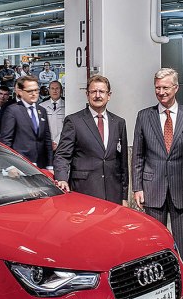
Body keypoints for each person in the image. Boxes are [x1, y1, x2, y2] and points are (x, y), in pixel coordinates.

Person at [132, 68, 183, 299]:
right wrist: (137, 187)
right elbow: (138, 155)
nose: (161, 92)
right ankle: (158, 289)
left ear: (176, 88)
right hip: (152, 189)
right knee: (155, 245)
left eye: (165, 87)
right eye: (157, 87)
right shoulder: (144, 116)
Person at [54, 75, 128, 206]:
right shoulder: (74, 121)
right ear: (87, 94)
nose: (97, 95)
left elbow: (123, 163)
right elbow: (62, 155)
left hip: (113, 193)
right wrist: (62, 178)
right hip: (84, 191)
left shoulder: (119, 123)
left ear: (109, 95)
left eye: (102, 92)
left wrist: (124, 196)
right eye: (93, 91)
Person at [0, 76, 53, 168]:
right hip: (20, 166)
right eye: (29, 91)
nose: (34, 94)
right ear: (20, 92)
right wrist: (10, 166)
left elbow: (47, 140)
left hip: (41, 166)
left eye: (36, 90)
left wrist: (50, 165)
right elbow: (6, 140)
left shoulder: (42, 111)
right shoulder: (13, 110)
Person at [39, 81, 65, 150]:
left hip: (63, 144)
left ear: (61, 90)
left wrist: (56, 142)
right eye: (52, 88)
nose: (55, 91)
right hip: (45, 145)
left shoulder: (67, 106)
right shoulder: (41, 106)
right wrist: (49, 142)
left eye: (57, 88)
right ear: (49, 90)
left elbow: (68, 127)